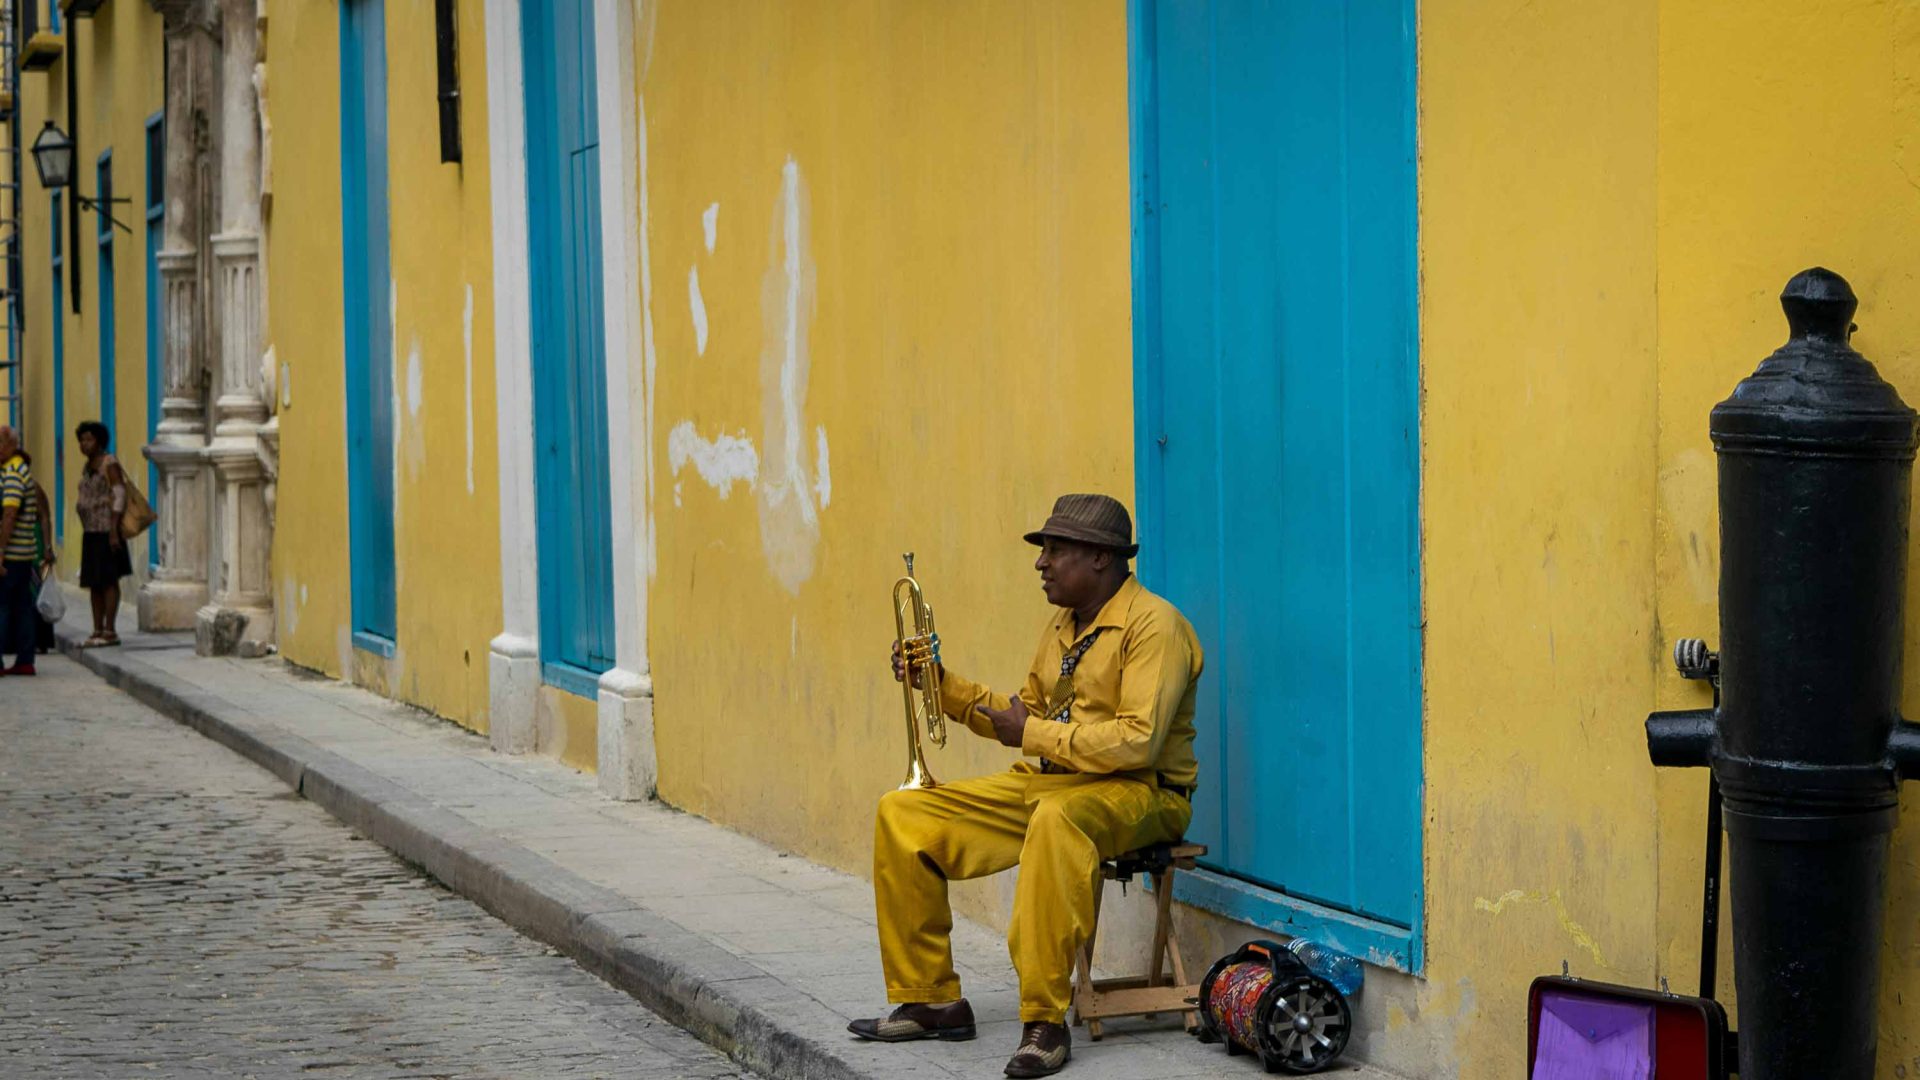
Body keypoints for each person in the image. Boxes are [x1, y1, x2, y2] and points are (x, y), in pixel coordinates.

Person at [850, 493, 1204, 1078]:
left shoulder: (1155, 627)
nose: (1041, 563)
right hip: (1055, 783)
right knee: (904, 813)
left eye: (1055, 550)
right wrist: (939, 685)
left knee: (1055, 823)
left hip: (1143, 792)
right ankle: (933, 997)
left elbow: (1137, 741)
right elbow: (1024, 715)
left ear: (1099, 558)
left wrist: (1035, 733)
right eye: (1044, 550)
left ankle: (1044, 1018)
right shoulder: (1064, 625)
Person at [73, 420, 131, 648]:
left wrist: (114, 529)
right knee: (94, 582)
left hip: (107, 530)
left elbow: (119, 493)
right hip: (90, 531)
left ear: (99, 441)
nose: (84, 444)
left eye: (89, 439)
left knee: (108, 580)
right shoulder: (88, 467)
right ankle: (97, 628)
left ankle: (110, 630)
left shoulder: (109, 463)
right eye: (82, 440)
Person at [0, 425, 45, 675]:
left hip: (13, 553)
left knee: (4, 606)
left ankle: (18, 658)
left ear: (11, 444)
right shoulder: (12, 470)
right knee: (22, 605)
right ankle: (25, 660)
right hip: (23, 553)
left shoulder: (14, 472)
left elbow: (10, 512)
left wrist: (1, 550)